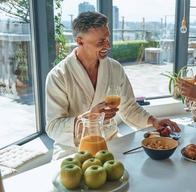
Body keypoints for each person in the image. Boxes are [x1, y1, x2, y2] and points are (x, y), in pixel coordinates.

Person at [46, 11, 180, 160]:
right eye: (100, 42)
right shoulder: (58, 76)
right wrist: (89, 118)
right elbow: (53, 127)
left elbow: (129, 108)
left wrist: (154, 121)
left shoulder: (114, 69)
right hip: (72, 150)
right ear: (79, 41)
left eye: (108, 38)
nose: (107, 45)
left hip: (110, 144)